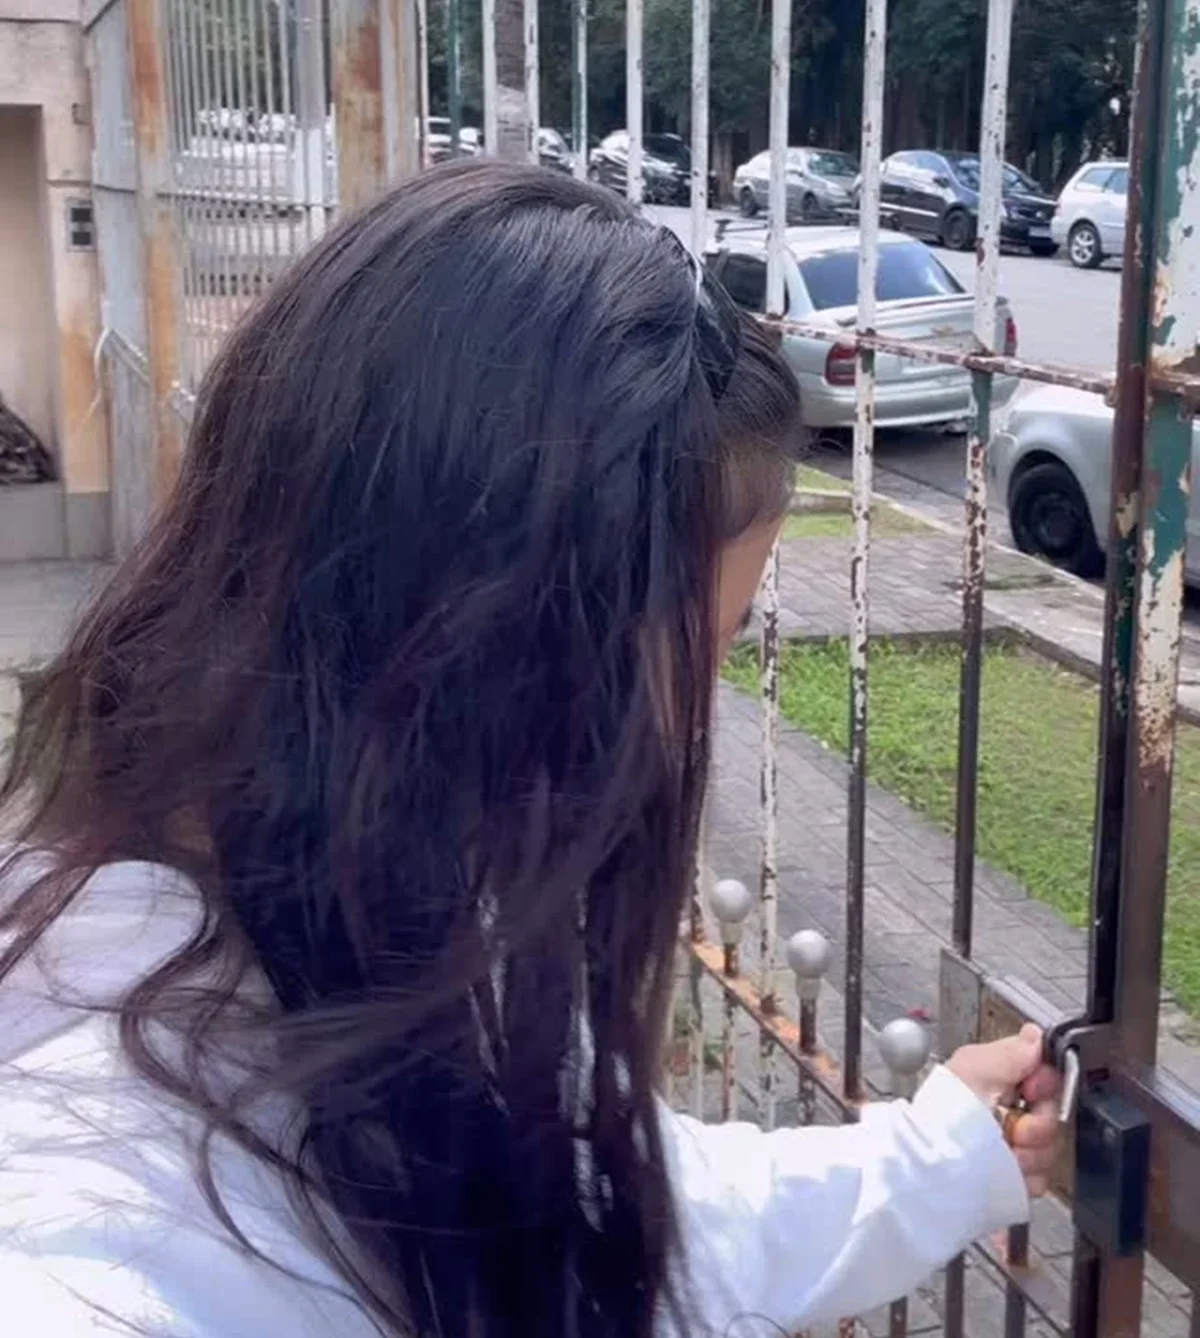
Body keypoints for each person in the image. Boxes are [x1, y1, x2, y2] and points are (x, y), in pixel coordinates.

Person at [0, 161, 1059, 1338]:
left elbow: (600, 1219)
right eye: (689, 653)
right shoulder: (99, 1237)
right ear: (473, 644)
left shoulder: (377, 929)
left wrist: (940, 1155)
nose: (684, 723)